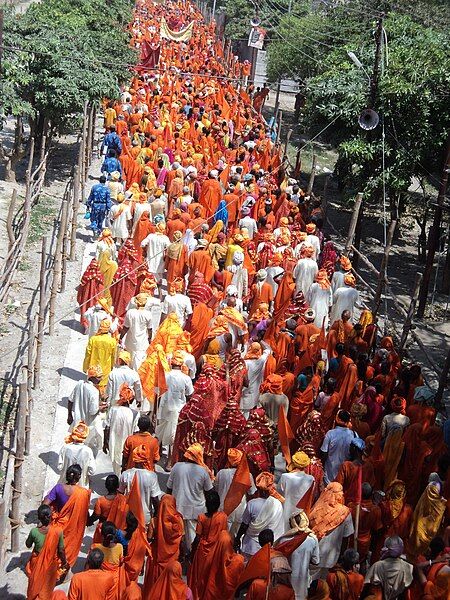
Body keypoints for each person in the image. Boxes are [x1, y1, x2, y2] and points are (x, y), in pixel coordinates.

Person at [166, 443, 214, 549]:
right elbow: (209, 491)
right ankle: (190, 559)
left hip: (178, 508)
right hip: (196, 510)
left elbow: (168, 489)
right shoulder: (203, 471)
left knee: (177, 537)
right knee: (193, 539)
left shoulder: (176, 467)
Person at [43, 465, 91, 567]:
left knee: (55, 548)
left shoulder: (58, 488)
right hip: (73, 528)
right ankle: (62, 568)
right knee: (67, 549)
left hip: (58, 525)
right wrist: (88, 520)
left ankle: (51, 568)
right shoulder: (83, 493)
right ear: (78, 477)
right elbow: (85, 511)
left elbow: (45, 504)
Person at [308, 482, 354, 581]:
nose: (342, 494)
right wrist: (342, 556)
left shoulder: (316, 508)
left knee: (310, 584)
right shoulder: (344, 512)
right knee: (324, 586)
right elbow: (347, 536)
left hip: (313, 554)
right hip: (331, 558)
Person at [235, 472, 284, 561]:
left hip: (250, 547)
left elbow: (244, 525)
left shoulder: (252, 504)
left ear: (258, 488)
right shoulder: (278, 504)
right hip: (268, 548)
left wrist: (237, 538)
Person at [188, 490, 228, 599]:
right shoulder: (223, 517)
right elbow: (224, 535)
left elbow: (197, 538)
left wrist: (192, 553)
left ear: (206, 504)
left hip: (202, 552)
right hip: (216, 552)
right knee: (212, 577)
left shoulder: (201, 517)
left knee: (199, 577)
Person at [155, 352, 194, 462]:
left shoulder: (165, 375)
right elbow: (190, 394)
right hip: (178, 409)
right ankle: (169, 461)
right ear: (181, 365)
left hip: (163, 408)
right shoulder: (186, 378)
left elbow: (157, 393)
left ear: (171, 364)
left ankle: (154, 456)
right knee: (174, 434)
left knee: (160, 431)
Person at [26, 504, 68, 600]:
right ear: (50, 516)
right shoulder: (58, 531)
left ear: (39, 517)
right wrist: (64, 562)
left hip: (36, 562)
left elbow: (28, 545)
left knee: (34, 583)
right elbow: (61, 550)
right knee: (47, 587)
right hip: (51, 564)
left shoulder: (34, 531)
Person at [276, 510, 320, 600]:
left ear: (292, 524)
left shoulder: (283, 540)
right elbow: (316, 561)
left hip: (286, 581)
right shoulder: (312, 540)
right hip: (303, 581)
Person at [143, 494, 184, 591]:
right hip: (173, 558)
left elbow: (148, 539)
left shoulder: (154, 521)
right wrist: (182, 555)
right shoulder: (179, 520)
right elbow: (181, 540)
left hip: (158, 556)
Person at [119, 445, 163, 524]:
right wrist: (157, 515)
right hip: (145, 517)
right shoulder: (152, 476)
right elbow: (155, 499)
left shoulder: (126, 474)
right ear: (146, 459)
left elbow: (120, 496)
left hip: (127, 516)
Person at [103, 383, 139, 475]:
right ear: (130, 400)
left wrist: (105, 442)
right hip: (128, 446)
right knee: (125, 468)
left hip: (113, 443)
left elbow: (107, 427)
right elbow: (136, 432)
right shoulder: (135, 413)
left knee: (116, 465)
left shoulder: (113, 410)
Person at [67, 368, 104, 456]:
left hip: (77, 424)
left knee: (76, 447)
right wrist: (101, 407)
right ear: (92, 378)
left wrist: (69, 415)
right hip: (89, 426)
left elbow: (70, 400)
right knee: (87, 451)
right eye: (98, 377)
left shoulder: (79, 384)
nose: (101, 379)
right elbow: (93, 411)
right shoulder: (94, 391)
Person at [278, 451, 315, 533]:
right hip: (302, 513)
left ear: (294, 462)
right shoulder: (311, 479)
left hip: (286, 510)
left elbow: (279, 494)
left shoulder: (285, 477)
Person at [320, 410, 358, 484]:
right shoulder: (354, 435)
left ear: (338, 419)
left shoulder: (330, 433)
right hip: (344, 477)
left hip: (328, 476)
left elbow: (323, 452)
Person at [88, 474, 127, 542]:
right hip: (117, 530)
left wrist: (89, 521)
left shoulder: (100, 501)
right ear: (118, 486)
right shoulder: (124, 499)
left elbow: (96, 515)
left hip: (103, 530)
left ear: (106, 486)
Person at [58, 421, 96, 488]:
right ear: (85, 436)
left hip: (65, 485)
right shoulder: (88, 451)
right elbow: (92, 470)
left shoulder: (65, 448)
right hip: (81, 486)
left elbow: (59, 467)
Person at [121, 293, 154, 369]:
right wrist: (150, 339)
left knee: (129, 362)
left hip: (130, 341)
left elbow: (126, 327)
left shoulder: (130, 312)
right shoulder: (148, 314)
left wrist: (121, 337)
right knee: (138, 364)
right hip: (142, 343)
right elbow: (150, 329)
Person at [83, 318, 117, 388]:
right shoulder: (112, 341)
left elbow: (88, 355)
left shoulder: (93, 339)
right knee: (103, 388)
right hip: (106, 369)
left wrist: (85, 367)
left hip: (93, 369)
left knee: (92, 387)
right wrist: (112, 366)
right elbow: (114, 356)